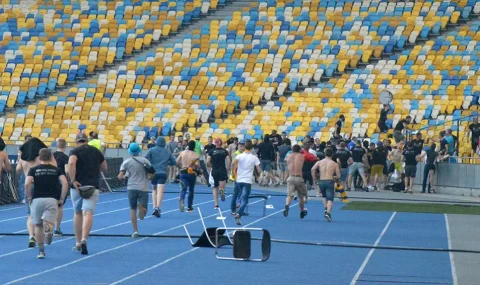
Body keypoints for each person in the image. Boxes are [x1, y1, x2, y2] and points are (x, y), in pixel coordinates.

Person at [68, 133, 108, 255]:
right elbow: (105, 167)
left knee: (78, 213)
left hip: (77, 186)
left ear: (77, 141)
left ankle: (78, 242)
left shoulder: (75, 151)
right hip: (92, 185)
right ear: (87, 140)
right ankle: (85, 238)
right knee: (88, 212)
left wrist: (73, 179)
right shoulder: (96, 151)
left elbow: (71, 163)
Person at [25, 149, 68, 259]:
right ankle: (48, 231)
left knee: (38, 225)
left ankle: (41, 251)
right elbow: (65, 183)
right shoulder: (57, 170)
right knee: (49, 222)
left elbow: (27, 184)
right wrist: (62, 198)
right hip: (51, 199)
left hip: (37, 199)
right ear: (51, 158)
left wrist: (30, 197)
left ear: (39, 158)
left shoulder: (33, 170)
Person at [17, 137, 51, 248]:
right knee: (44, 212)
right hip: (41, 185)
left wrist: (20, 161)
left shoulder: (23, 159)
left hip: (29, 185)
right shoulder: (39, 159)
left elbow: (18, 170)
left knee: (30, 214)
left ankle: (31, 236)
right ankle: (45, 231)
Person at [118, 143, 151, 237]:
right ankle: (142, 209)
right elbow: (151, 174)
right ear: (139, 150)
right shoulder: (145, 161)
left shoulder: (126, 162)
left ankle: (135, 231)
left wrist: (125, 177)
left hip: (131, 187)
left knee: (132, 209)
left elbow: (120, 177)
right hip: (143, 187)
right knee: (144, 212)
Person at [231, 139, 261, 225]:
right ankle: (239, 213)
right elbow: (259, 169)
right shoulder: (254, 157)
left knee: (240, 195)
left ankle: (236, 209)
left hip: (239, 179)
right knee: (244, 199)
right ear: (251, 148)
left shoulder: (239, 156)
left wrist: (234, 172)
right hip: (247, 180)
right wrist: (259, 174)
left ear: (244, 147)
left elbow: (233, 163)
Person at [145, 137, 176, 218]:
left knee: (154, 189)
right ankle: (158, 207)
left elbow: (145, 159)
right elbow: (174, 162)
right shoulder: (168, 151)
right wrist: (166, 162)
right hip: (162, 173)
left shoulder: (151, 150)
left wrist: (150, 165)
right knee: (160, 191)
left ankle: (154, 206)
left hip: (153, 172)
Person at [311, 148, 341, 222]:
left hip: (321, 181)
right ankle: (328, 212)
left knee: (324, 196)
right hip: (329, 181)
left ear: (325, 154)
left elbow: (313, 169)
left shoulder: (320, 162)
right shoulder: (334, 164)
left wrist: (314, 179)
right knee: (330, 199)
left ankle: (325, 208)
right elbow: (338, 176)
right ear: (332, 154)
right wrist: (335, 177)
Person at [176, 140, 202, 212]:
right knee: (191, 189)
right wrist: (200, 170)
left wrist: (181, 167)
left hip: (183, 172)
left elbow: (177, 162)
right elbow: (197, 164)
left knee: (183, 188)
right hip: (191, 173)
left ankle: (182, 198)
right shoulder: (196, 155)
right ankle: (189, 206)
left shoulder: (183, 153)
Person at [283, 145, 308, 219]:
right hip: (299, 177)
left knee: (290, 195)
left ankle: (287, 205)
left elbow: (286, 162)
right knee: (301, 196)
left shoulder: (288, 157)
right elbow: (308, 156)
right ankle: (301, 211)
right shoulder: (302, 156)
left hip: (290, 177)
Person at [206, 138, 230, 208]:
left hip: (215, 170)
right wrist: (228, 170)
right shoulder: (225, 151)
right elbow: (228, 161)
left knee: (215, 187)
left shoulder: (211, 151)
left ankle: (216, 204)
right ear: (221, 143)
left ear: (215, 143)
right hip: (222, 169)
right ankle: (222, 191)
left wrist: (210, 166)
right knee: (222, 186)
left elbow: (207, 161)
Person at [53, 138, 69, 236]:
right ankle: (57, 228)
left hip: (50, 181)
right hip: (61, 183)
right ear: (65, 147)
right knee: (59, 205)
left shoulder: (51, 156)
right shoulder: (66, 157)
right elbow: (67, 171)